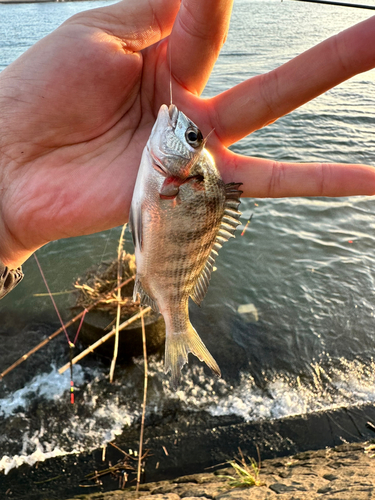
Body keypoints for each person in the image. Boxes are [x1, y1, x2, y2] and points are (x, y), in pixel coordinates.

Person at [0, 0, 374, 299]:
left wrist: (8, 230)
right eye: (194, 139)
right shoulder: (171, 173)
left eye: (192, 138)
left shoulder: (173, 174)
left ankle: (171, 312)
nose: (184, 129)